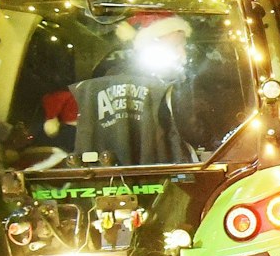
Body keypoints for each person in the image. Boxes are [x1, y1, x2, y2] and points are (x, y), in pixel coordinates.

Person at [69, 12, 194, 165]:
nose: (184, 53)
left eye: (184, 45)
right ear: (150, 47)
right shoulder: (123, 81)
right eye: (175, 45)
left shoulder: (186, 81)